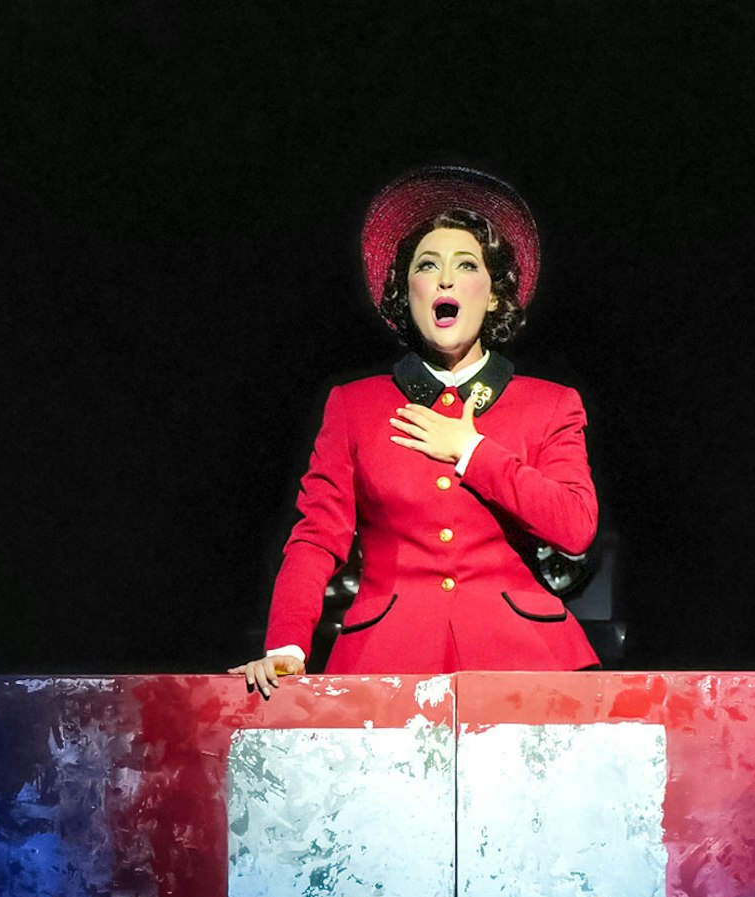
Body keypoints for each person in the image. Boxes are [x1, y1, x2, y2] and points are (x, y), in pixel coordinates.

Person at [231, 166, 599, 696]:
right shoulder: (354, 406)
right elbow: (316, 537)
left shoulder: (551, 404)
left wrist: (472, 451)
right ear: (410, 293)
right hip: (387, 663)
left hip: (527, 666)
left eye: (466, 264)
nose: (445, 278)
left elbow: (575, 526)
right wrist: (286, 647)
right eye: (428, 266)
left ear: (493, 295)